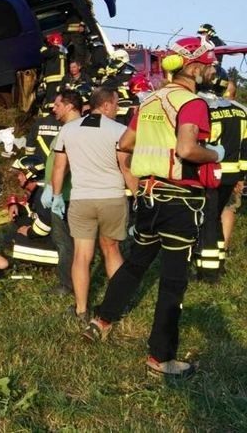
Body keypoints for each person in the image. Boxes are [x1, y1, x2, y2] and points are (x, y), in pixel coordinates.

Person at [84, 36, 224, 378]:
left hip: (149, 197)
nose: (213, 70)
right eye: (209, 65)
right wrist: (215, 155)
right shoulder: (192, 103)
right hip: (180, 201)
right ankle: (160, 358)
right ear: (193, 67)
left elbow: (125, 143)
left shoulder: (148, 102)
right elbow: (189, 149)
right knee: (173, 280)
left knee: (135, 264)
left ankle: (101, 320)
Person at [50, 87, 136, 323]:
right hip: (112, 198)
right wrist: (140, 195)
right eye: (116, 104)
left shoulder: (68, 130)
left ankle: (81, 309)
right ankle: (118, 305)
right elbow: (126, 168)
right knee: (112, 250)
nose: (118, 109)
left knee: (81, 255)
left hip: (81, 199)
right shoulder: (120, 131)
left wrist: (56, 195)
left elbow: (59, 167)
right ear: (106, 105)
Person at [194, 79, 247, 280]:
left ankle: (208, 272)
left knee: (208, 219)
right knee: (215, 217)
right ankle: (219, 261)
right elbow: (245, 145)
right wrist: (241, 175)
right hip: (233, 174)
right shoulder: (241, 112)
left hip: (211, 172)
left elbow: (206, 144)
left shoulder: (207, 110)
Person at [39, 89, 83, 294]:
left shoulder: (71, 131)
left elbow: (65, 164)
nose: (53, 109)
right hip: (66, 193)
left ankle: (68, 285)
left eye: (57, 105)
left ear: (70, 106)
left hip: (65, 195)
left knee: (64, 242)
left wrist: (54, 191)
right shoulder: (73, 128)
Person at [9, 157, 64, 275]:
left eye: (20, 174)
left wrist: (28, 232)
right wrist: (14, 205)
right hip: (60, 235)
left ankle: (51, 263)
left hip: (61, 247)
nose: (18, 177)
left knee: (15, 240)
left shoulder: (41, 195)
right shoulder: (42, 188)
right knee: (19, 220)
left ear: (29, 175)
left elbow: (45, 225)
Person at [38, 32, 67, 109]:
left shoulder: (54, 50)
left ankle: (49, 115)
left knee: (51, 100)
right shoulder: (63, 50)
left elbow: (43, 53)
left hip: (53, 79)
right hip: (61, 78)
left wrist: (44, 43)